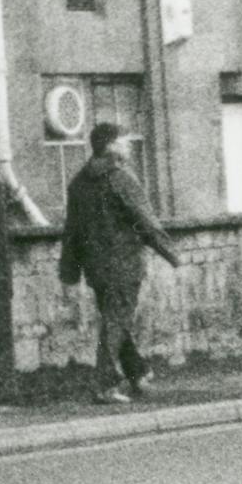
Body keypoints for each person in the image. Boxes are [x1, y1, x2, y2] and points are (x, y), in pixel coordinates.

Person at [58, 119, 181, 404]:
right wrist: (174, 256)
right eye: (124, 141)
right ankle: (104, 385)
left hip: (96, 269)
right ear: (111, 146)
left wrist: (69, 273)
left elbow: (71, 233)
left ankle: (137, 373)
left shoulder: (78, 184)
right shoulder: (121, 178)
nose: (128, 146)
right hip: (124, 264)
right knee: (116, 321)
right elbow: (146, 222)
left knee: (116, 319)